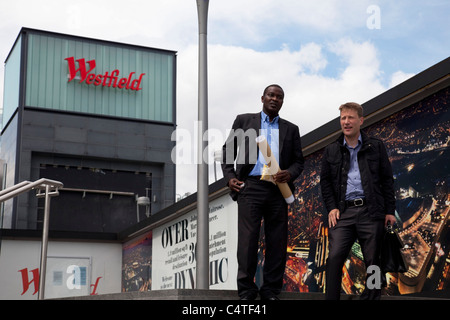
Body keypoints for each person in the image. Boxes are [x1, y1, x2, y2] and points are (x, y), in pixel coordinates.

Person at [221, 84, 304, 300]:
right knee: (248, 241)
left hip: (278, 190)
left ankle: (270, 291)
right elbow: (228, 150)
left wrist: (289, 174)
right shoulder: (244, 121)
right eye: (271, 95)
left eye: (279, 96)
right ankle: (247, 291)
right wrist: (230, 178)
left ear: (282, 101)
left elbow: (298, 162)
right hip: (251, 187)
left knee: (277, 242)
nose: (274, 99)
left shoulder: (291, 129)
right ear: (262, 98)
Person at [320, 102, 397, 300]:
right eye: (343, 118)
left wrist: (390, 211)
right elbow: (326, 183)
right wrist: (332, 208)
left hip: (371, 212)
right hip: (343, 213)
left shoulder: (376, 146)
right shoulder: (331, 150)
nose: (346, 122)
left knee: (373, 262)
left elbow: (387, 180)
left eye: (350, 117)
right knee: (335, 257)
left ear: (360, 120)